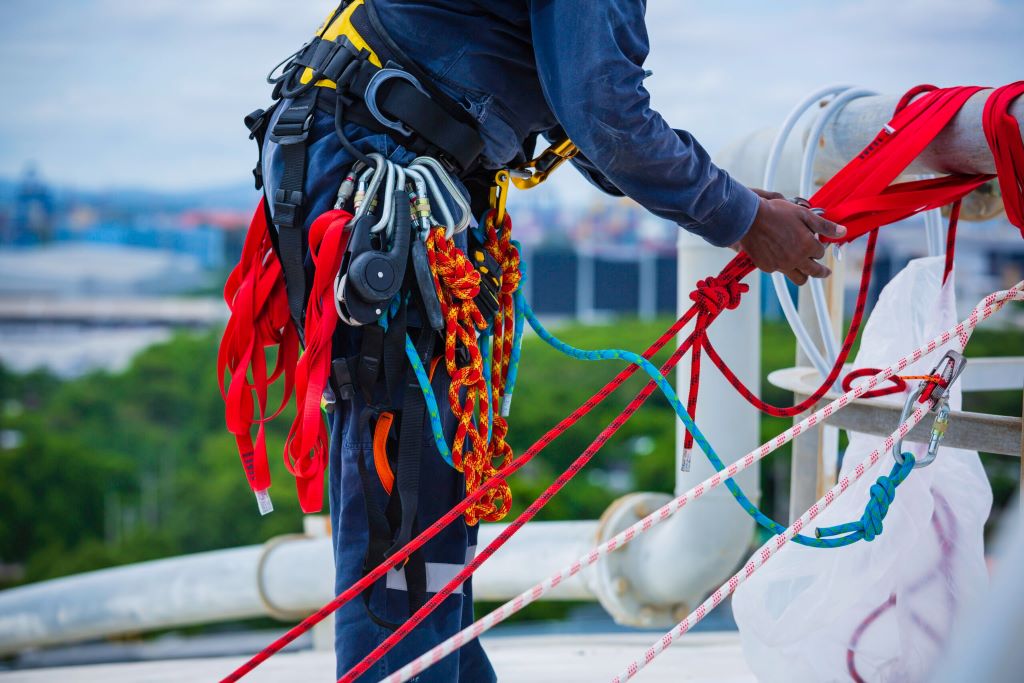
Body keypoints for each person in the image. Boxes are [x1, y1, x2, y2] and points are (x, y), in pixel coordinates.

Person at [253, 1, 844, 680]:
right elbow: (608, 119)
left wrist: (729, 198)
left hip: (366, 148)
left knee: (425, 493)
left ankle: (440, 661)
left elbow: (587, 119)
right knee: (406, 499)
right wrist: (742, 217)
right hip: (379, 164)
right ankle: (413, 665)